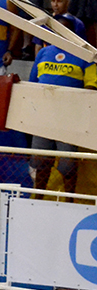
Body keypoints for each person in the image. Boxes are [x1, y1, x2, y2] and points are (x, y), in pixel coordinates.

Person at [28, 14, 97, 194]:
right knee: (41, 163)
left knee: (68, 167)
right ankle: (38, 198)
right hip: (43, 118)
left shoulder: (85, 56)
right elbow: (32, 84)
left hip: (69, 119)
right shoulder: (43, 53)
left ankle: (70, 201)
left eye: (64, 28)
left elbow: (91, 87)